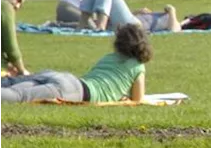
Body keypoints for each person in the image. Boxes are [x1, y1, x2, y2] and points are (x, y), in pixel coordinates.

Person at [0, 23, 151, 103]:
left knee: (11, 84)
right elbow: (137, 100)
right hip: (75, 91)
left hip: (67, 79)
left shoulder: (109, 57)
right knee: (18, 96)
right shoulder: (138, 66)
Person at [80, 0, 182, 34]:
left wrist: (172, 11)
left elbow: (174, 30)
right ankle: (83, 23)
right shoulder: (160, 16)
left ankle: (101, 26)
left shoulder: (174, 21)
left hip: (135, 27)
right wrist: (136, 12)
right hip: (128, 22)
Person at [1, 0, 30, 77]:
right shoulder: (4, 6)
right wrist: (22, 71)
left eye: (20, 5)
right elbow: (12, 50)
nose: (17, 6)